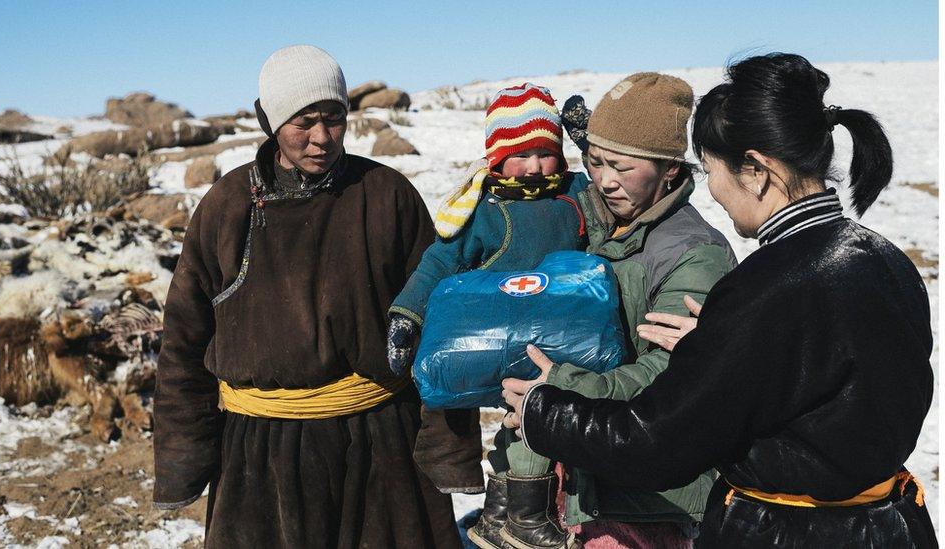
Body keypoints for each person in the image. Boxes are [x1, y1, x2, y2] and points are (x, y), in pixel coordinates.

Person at [504, 53, 936, 548]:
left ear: (755, 169)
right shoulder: (884, 260)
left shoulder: (768, 286)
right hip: (890, 526)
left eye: (711, 170)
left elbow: (659, 444)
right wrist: (726, 345)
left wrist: (545, 413)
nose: (713, 188)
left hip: (788, 532)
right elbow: (830, 378)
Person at [151, 44, 461, 548]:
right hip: (260, 455)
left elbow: (440, 324)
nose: (321, 138)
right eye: (304, 121)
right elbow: (185, 339)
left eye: (335, 119)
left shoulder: (388, 195)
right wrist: (184, 457)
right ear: (269, 121)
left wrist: (448, 449)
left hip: (380, 443)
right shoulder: (227, 207)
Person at [502, 73, 739, 549]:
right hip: (576, 471)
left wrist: (558, 393)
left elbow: (670, 374)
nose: (606, 180)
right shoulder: (585, 218)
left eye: (622, 167)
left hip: (649, 498)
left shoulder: (695, 254)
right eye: (595, 161)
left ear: (670, 169)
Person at [387, 82, 590, 549]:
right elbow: (439, 262)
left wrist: (588, 140)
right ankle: (525, 518)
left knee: (537, 423)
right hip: (504, 336)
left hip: (567, 334)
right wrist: (407, 314)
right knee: (525, 425)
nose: (536, 166)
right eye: (522, 155)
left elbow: (615, 183)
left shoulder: (576, 192)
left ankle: (502, 509)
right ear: (497, 157)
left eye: (547, 152)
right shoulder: (482, 207)